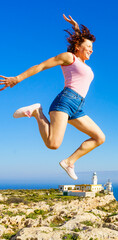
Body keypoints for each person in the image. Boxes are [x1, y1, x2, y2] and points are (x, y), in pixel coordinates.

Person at [0, 15, 105, 180]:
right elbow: (41, 66)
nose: (92, 50)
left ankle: (69, 162)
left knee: (99, 137)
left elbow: (79, 41)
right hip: (65, 101)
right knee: (53, 144)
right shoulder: (69, 58)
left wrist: (77, 28)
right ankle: (37, 112)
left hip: (77, 106)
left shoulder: (83, 64)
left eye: (92, 47)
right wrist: (17, 79)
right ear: (78, 46)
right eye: (89, 46)